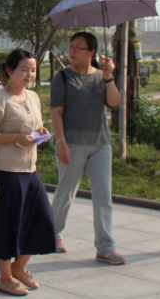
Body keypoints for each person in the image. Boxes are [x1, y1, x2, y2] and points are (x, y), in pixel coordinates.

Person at [0, 49, 57, 296]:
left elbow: (36, 125)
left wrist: (41, 132)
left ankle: (19, 267)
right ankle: (5, 279)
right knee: (7, 227)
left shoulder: (33, 96)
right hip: (7, 173)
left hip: (30, 171)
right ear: (9, 71)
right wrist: (16, 138)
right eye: (24, 69)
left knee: (43, 219)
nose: (30, 74)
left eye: (33, 70)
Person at [50, 32, 125, 264]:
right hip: (71, 143)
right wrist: (61, 143)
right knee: (66, 191)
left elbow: (114, 103)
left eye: (78, 47)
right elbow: (56, 113)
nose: (72, 51)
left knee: (103, 197)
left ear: (91, 52)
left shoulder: (102, 76)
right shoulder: (63, 77)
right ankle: (54, 233)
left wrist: (109, 76)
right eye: (71, 46)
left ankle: (105, 247)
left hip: (100, 144)